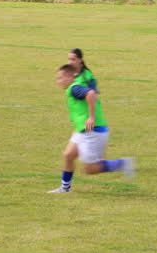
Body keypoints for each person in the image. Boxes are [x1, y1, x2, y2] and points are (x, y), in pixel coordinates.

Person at [49, 63, 134, 194]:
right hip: (82, 130)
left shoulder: (74, 88)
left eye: (60, 78)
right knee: (68, 155)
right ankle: (65, 188)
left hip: (92, 131)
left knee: (90, 169)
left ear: (69, 76)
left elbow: (90, 93)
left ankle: (123, 163)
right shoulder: (73, 88)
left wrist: (91, 117)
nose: (58, 81)